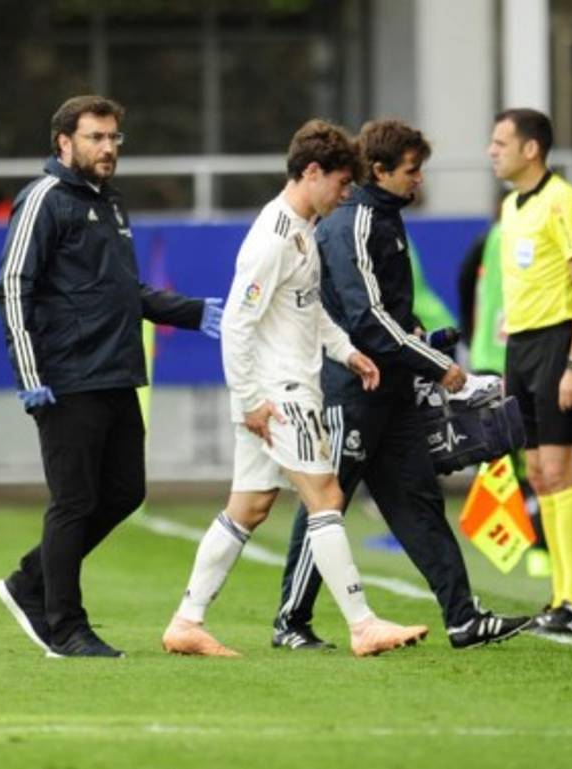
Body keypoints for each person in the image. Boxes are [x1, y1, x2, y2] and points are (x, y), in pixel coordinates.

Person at [160, 119, 431, 659]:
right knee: (327, 498)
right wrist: (251, 401)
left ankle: (187, 621)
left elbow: (309, 311)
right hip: (279, 396)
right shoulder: (272, 239)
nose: (347, 193)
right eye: (341, 182)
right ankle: (362, 624)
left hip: (280, 390)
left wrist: (348, 352)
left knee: (250, 507)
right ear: (312, 172)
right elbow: (237, 322)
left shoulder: (301, 229)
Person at [264, 119, 531, 651]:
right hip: (350, 390)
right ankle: (290, 621)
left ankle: (462, 617)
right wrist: (440, 366)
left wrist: (417, 341)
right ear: (379, 170)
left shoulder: (383, 217)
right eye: (412, 171)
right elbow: (364, 320)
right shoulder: (355, 222)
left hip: (392, 390)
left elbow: (385, 315)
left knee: (418, 502)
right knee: (327, 501)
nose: (419, 181)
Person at [0, 95, 224, 658]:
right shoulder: (44, 199)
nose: (109, 148)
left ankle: (30, 581)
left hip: (116, 372)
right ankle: (66, 629)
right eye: (97, 137)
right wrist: (30, 373)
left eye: (115, 138)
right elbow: (12, 287)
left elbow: (125, 292)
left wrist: (192, 313)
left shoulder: (110, 204)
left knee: (124, 492)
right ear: (64, 142)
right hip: (66, 378)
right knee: (73, 501)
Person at [490, 108, 572, 634]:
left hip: (560, 345)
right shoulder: (510, 207)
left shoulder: (565, 200)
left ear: (530, 148)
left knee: (560, 470)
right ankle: (556, 597)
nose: (492, 151)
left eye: (500, 142)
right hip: (522, 349)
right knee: (535, 473)